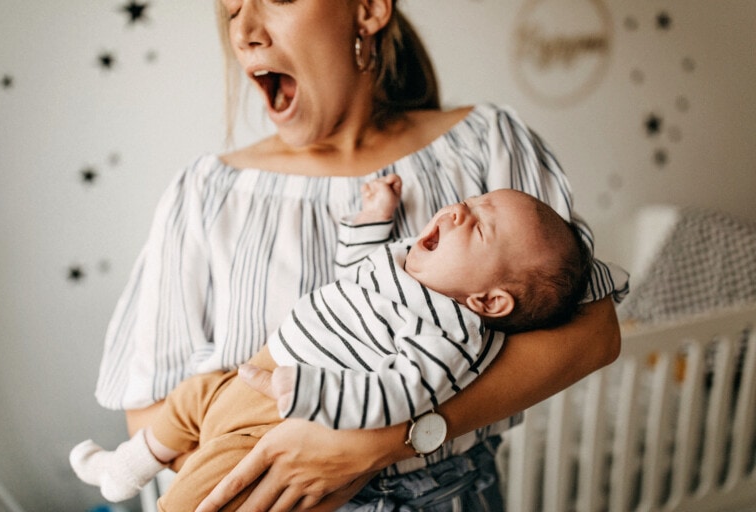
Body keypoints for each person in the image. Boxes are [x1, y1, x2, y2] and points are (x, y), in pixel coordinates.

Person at [94, 0, 629, 510]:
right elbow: (149, 417)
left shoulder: (487, 144)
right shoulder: (205, 194)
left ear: (369, 8)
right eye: (232, 9)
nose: (243, 31)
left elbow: (593, 332)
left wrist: (376, 444)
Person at [73, 175, 594, 509]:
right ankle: (126, 469)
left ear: (490, 302)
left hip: (282, 422)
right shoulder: (406, 263)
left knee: (212, 486)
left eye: (480, 227)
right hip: (247, 382)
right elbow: (353, 272)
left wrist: (307, 393)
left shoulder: (452, 337)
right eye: (474, 201)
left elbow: (400, 395)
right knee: (191, 398)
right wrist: (374, 220)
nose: (459, 210)